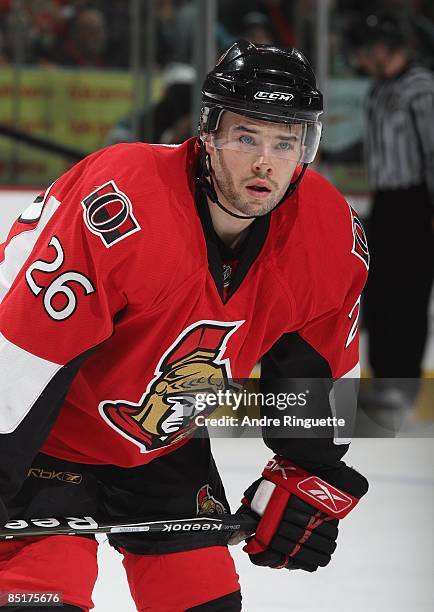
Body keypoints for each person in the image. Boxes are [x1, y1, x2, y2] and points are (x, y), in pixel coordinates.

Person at [0, 41, 369, 611]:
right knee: (41, 600)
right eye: (246, 137)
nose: (265, 162)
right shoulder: (123, 201)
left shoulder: (326, 233)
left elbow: (314, 374)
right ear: (208, 133)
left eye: (285, 141)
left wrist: (309, 469)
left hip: (161, 444)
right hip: (42, 442)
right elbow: (23, 357)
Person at [350, 13, 434, 411]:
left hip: (416, 201)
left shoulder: (421, 88)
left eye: (365, 50)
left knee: (408, 294)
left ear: (381, 47)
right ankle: (383, 378)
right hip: (385, 200)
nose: (360, 59)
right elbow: (374, 146)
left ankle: (402, 383)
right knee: (379, 292)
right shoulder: (380, 90)